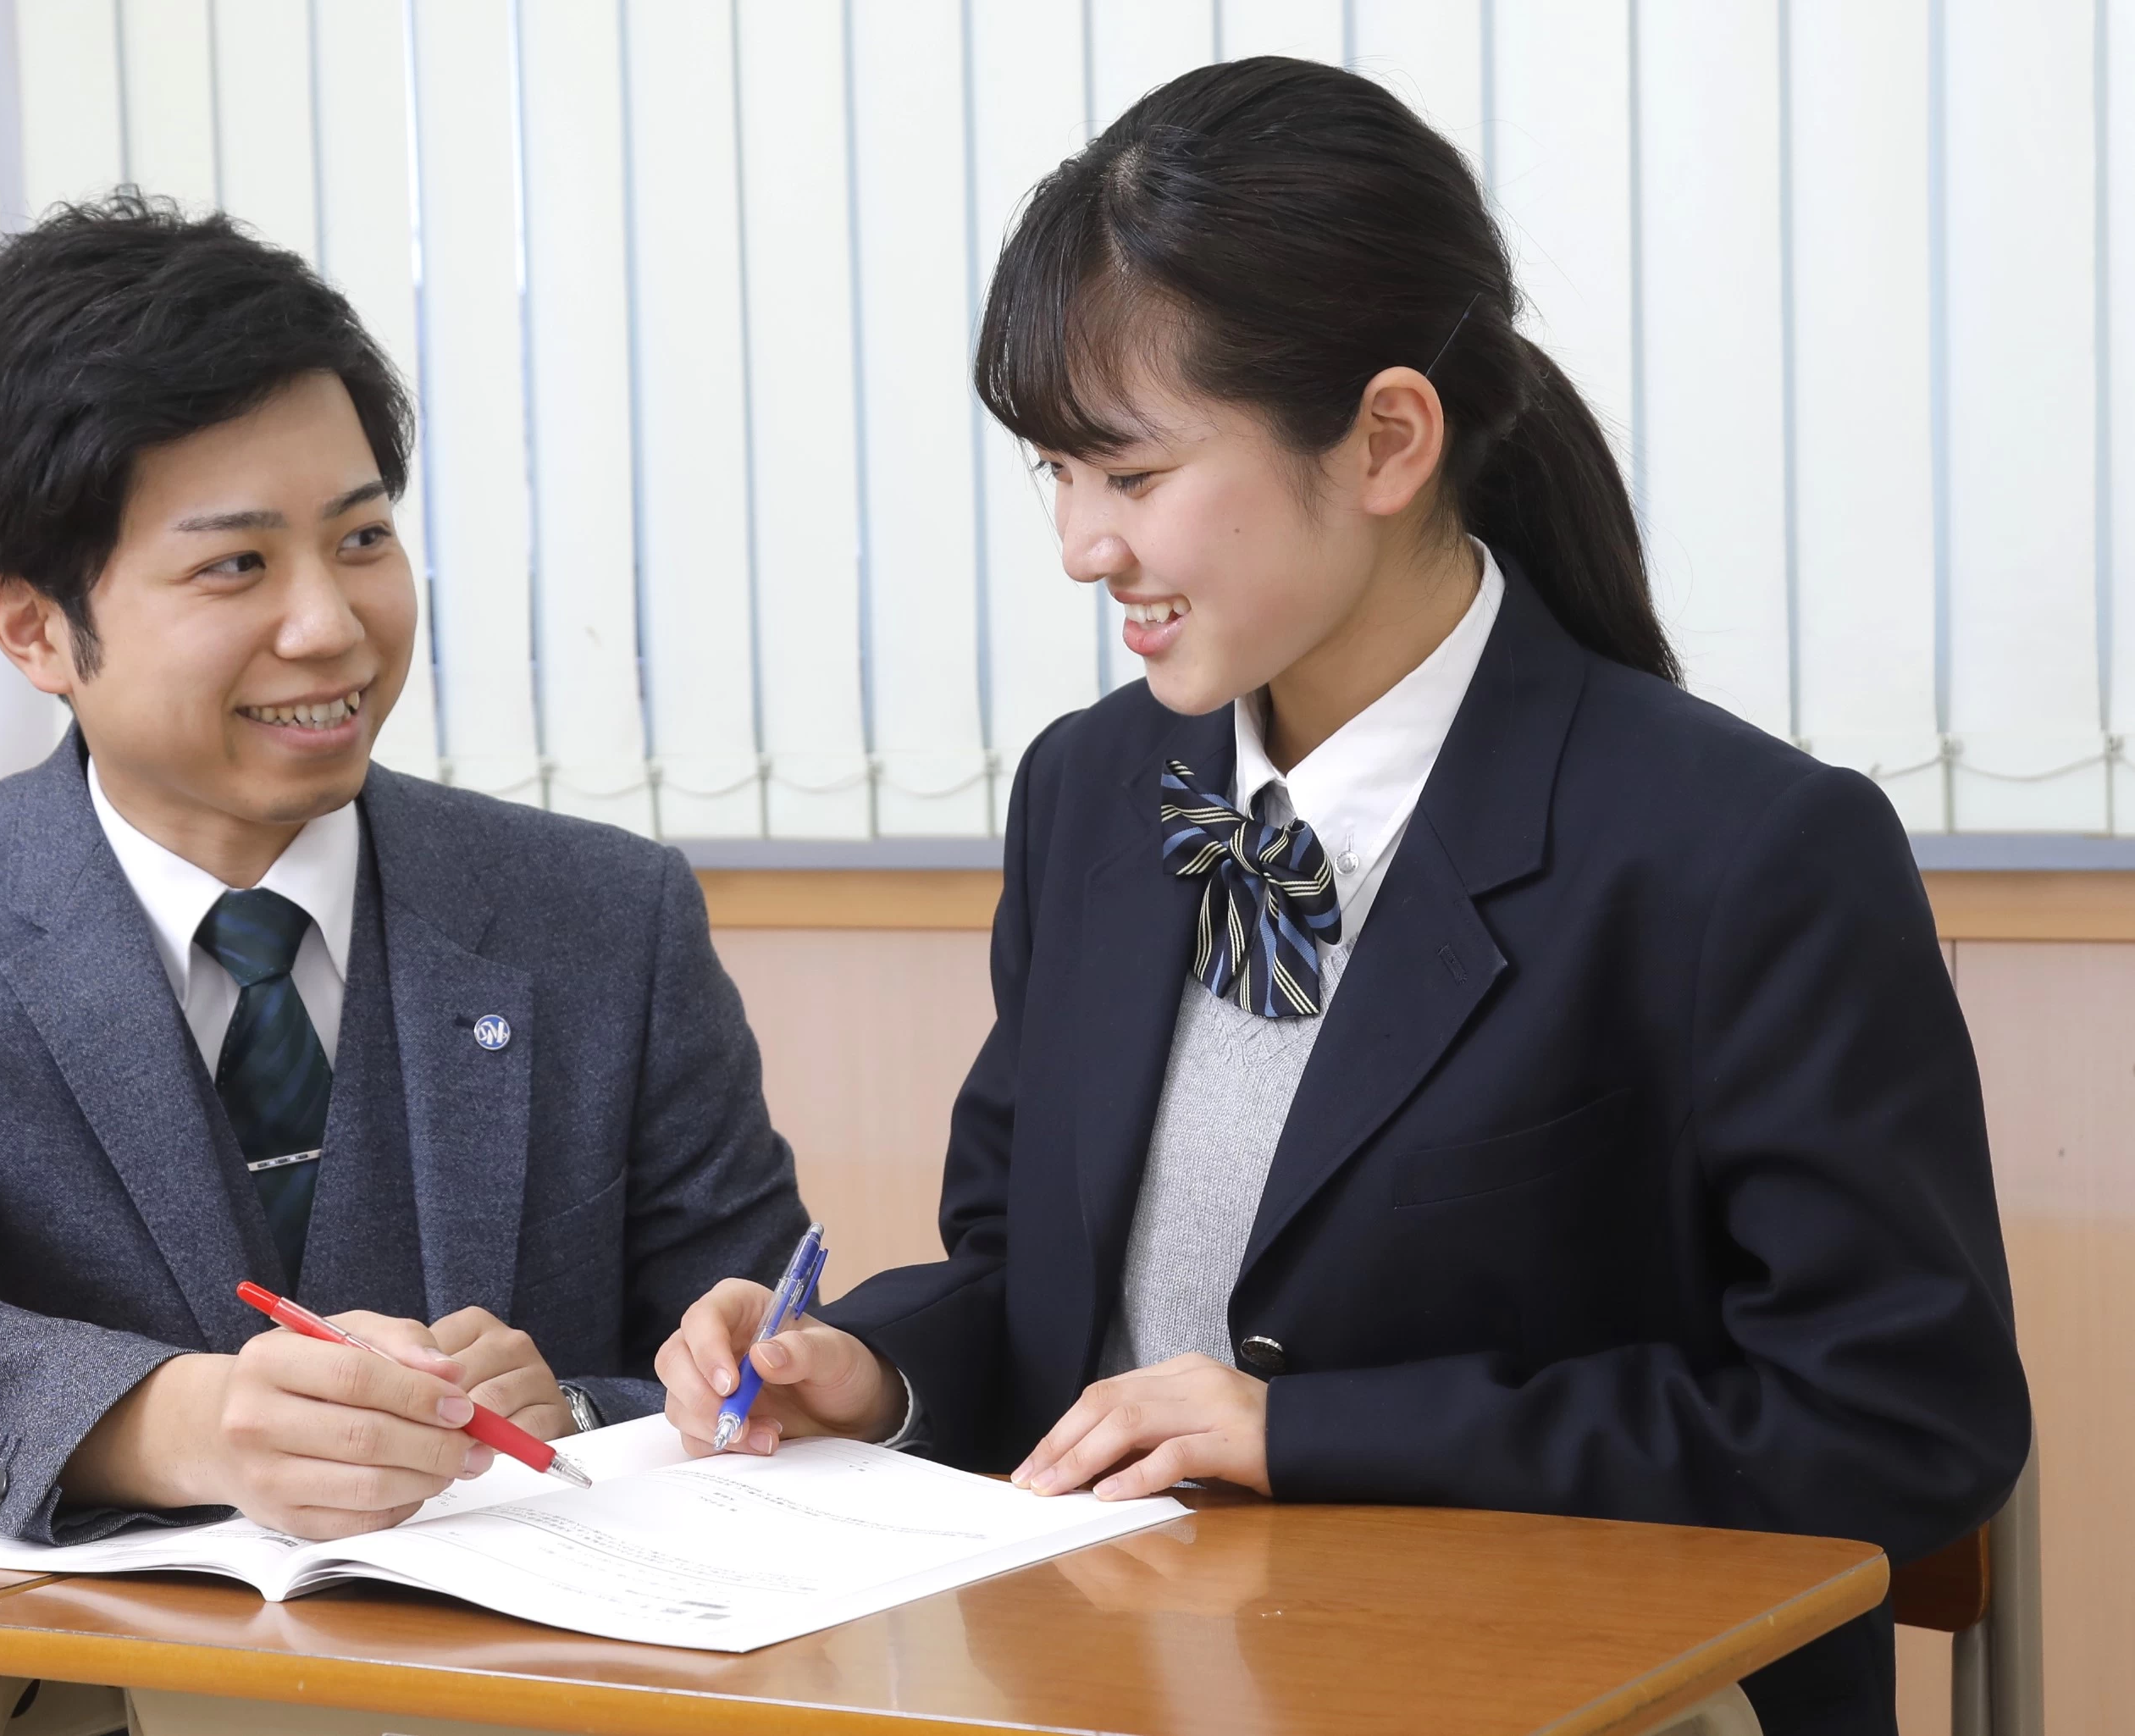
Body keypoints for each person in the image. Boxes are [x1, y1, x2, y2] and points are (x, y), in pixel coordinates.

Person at [653, 58, 2027, 1735]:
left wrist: (1308, 1432)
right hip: (1129, 1674)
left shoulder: (1745, 852)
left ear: (1387, 439)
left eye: (1133, 472)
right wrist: (869, 1366)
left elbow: (1895, 1422)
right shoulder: (1099, 792)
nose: (1084, 544)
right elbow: (1037, 1269)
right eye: (1056, 475)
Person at [0, 193, 809, 1546]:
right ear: (33, 629)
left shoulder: (606, 914)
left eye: (361, 539)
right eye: (236, 564)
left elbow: (754, 1344)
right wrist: (195, 1424)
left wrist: (587, 1410)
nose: (331, 625)